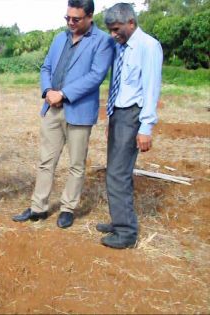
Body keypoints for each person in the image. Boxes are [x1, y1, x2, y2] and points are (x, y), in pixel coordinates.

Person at [12, 0, 113, 229]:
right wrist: (48, 91)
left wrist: (64, 93)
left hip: (79, 110)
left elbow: (96, 75)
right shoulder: (59, 38)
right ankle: (38, 207)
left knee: (76, 163)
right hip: (52, 109)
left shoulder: (102, 41)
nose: (70, 23)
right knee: (46, 160)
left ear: (89, 17)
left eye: (75, 19)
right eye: (67, 18)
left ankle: (68, 208)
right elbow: (46, 67)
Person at [98, 3, 163, 249]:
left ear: (131, 22)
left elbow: (151, 88)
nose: (113, 34)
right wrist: (111, 117)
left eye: (116, 29)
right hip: (119, 114)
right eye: (111, 30)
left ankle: (126, 232)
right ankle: (119, 221)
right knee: (115, 170)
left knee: (118, 173)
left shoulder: (148, 46)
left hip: (133, 115)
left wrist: (146, 127)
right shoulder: (121, 47)